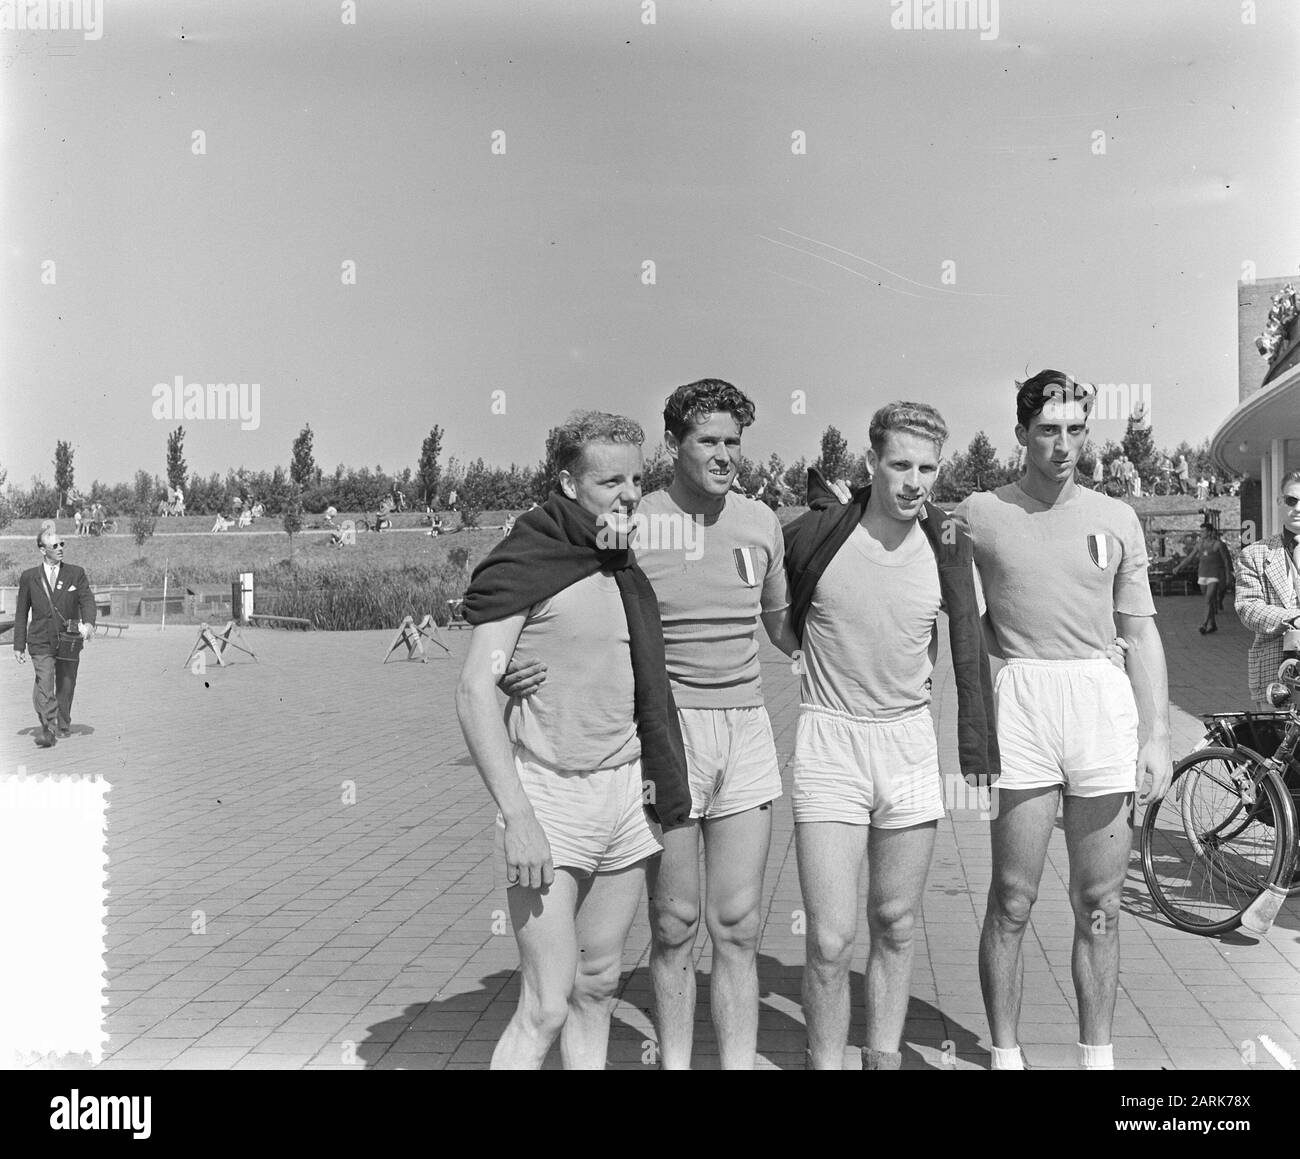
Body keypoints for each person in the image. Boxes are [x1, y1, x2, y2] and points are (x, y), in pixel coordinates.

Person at [502, 379, 797, 1070]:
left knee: (739, 925)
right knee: (675, 923)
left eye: (733, 441)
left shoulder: (761, 522)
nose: (724, 454)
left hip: (747, 730)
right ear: (674, 445)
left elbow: (785, 625)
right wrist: (514, 659)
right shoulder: (636, 520)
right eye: (708, 441)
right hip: (669, 733)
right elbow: (562, 587)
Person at [455, 410, 690, 1070]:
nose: (628, 493)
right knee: (545, 1004)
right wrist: (519, 817)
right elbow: (476, 689)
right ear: (566, 482)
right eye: (609, 480)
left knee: (598, 986)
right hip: (548, 799)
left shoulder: (618, 560)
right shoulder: (530, 557)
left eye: (637, 479)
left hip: (624, 793)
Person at [953, 369, 1171, 1072]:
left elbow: (1141, 633)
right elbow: (960, 611)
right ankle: (1006, 1056)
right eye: (1049, 429)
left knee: (1100, 902)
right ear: (1021, 434)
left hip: (1099, 706)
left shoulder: (1116, 517)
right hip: (1023, 704)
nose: (1065, 444)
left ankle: (1096, 1061)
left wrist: (1158, 734)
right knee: (1013, 897)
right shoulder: (982, 511)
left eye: (1078, 428)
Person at [782, 402, 999, 1070]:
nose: (913, 481)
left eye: (927, 467)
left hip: (907, 745)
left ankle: (880, 1056)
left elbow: (969, 641)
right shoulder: (815, 534)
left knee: (897, 922)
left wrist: (977, 749)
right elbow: (775, 617)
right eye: (899, 464)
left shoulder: (946, 544)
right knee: (829, 937)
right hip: (830, 744)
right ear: (870, 462)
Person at [13, 528, 96, 747]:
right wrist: (19, 644)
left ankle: (63, 721)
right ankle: (48, 728)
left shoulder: (75, 573)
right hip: (40, 639)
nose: (60, 549)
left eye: (62, 544)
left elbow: (87, 600)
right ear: (42, 549)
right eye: (55, 546)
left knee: (66, 684)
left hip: (69, 639)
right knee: (46, 681)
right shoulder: (29, 577)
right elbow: (21, 611)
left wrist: (88, 623)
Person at [1236, 469, 1300, 709]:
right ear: (1279, 502)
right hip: (1276, 678)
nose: (1298, 508)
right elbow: (1247, 608)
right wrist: (1294, 618)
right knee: (1277, 745)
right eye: (1292, 500)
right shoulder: (1253, 554)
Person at [1173, 524, 1233, 634]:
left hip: (1215, 575)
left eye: (1203, 531)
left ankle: (1204, 624)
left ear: (1210, 532)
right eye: (1201, 531)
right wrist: (1179, 567)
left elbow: (1226, 561)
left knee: (1208, 600)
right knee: (1208, 601)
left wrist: (1228, 576)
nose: (1201, 533)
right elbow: (1189, 558)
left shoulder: (1218, 545)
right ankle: (1213, 624)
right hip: (1203, 574)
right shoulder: (1199, 545)